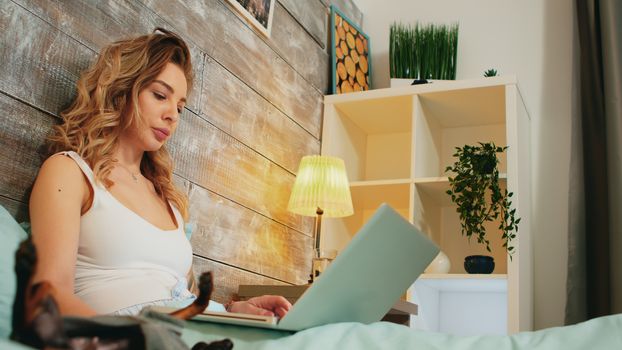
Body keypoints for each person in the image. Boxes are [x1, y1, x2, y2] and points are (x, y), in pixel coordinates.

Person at [28, 28, 291, 318]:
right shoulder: (70, 172)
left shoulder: (166, 198)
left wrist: (234, 311)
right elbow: (49, 296)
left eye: (180, 107)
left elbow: (183, 294)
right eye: (160, 95)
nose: (173, 115)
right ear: (122, 91)